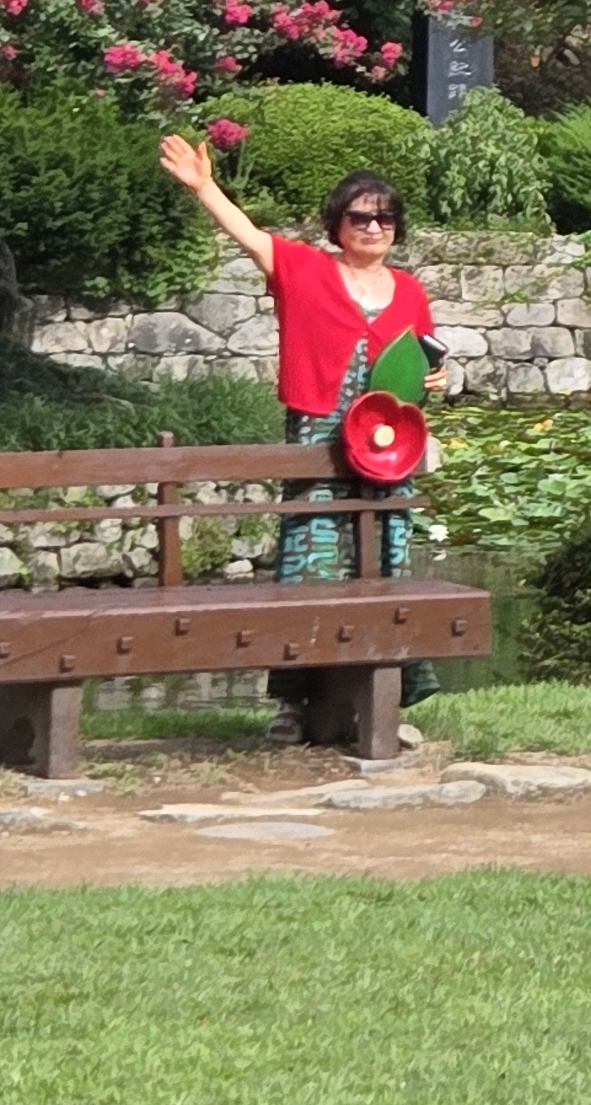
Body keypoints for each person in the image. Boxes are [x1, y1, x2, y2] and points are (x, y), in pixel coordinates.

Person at [157, 135, 452, 723]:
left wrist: (437, 383)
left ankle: (383, 702)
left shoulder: (411, 291)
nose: (374, 227)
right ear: (337, 225)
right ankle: (295, 705)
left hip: (387, 449)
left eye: (385, 217)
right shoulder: (304, 270)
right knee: (310, 562)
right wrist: (204, 187)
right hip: (320, 435)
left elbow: (420, 363)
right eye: (360, 216)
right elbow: (249, 236)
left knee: (385, 563)